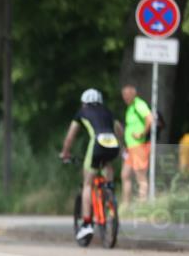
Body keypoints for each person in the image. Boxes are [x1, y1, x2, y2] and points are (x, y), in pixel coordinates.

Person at [59, 88, 124, 242]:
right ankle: (109, 193)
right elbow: (119, 129)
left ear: (84, 102)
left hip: (97, 143)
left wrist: (65, 153)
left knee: (88, 184)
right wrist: (123, 146)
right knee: (107, 164)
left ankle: (87, 223)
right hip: (112, 143)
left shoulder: (82, 112)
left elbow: (70, 136)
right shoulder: (107, 111)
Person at [120, 84, 154, 208]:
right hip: (130, 148)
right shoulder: (130, 108)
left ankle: (142, 205)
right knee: (125, 175)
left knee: (141, 177)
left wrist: (142, 133)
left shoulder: (139, 104)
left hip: (139, 146)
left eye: (127, 96)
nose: (125, 98)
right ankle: (126, 205)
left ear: (133, 95)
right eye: (124, 96)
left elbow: (150, 119)